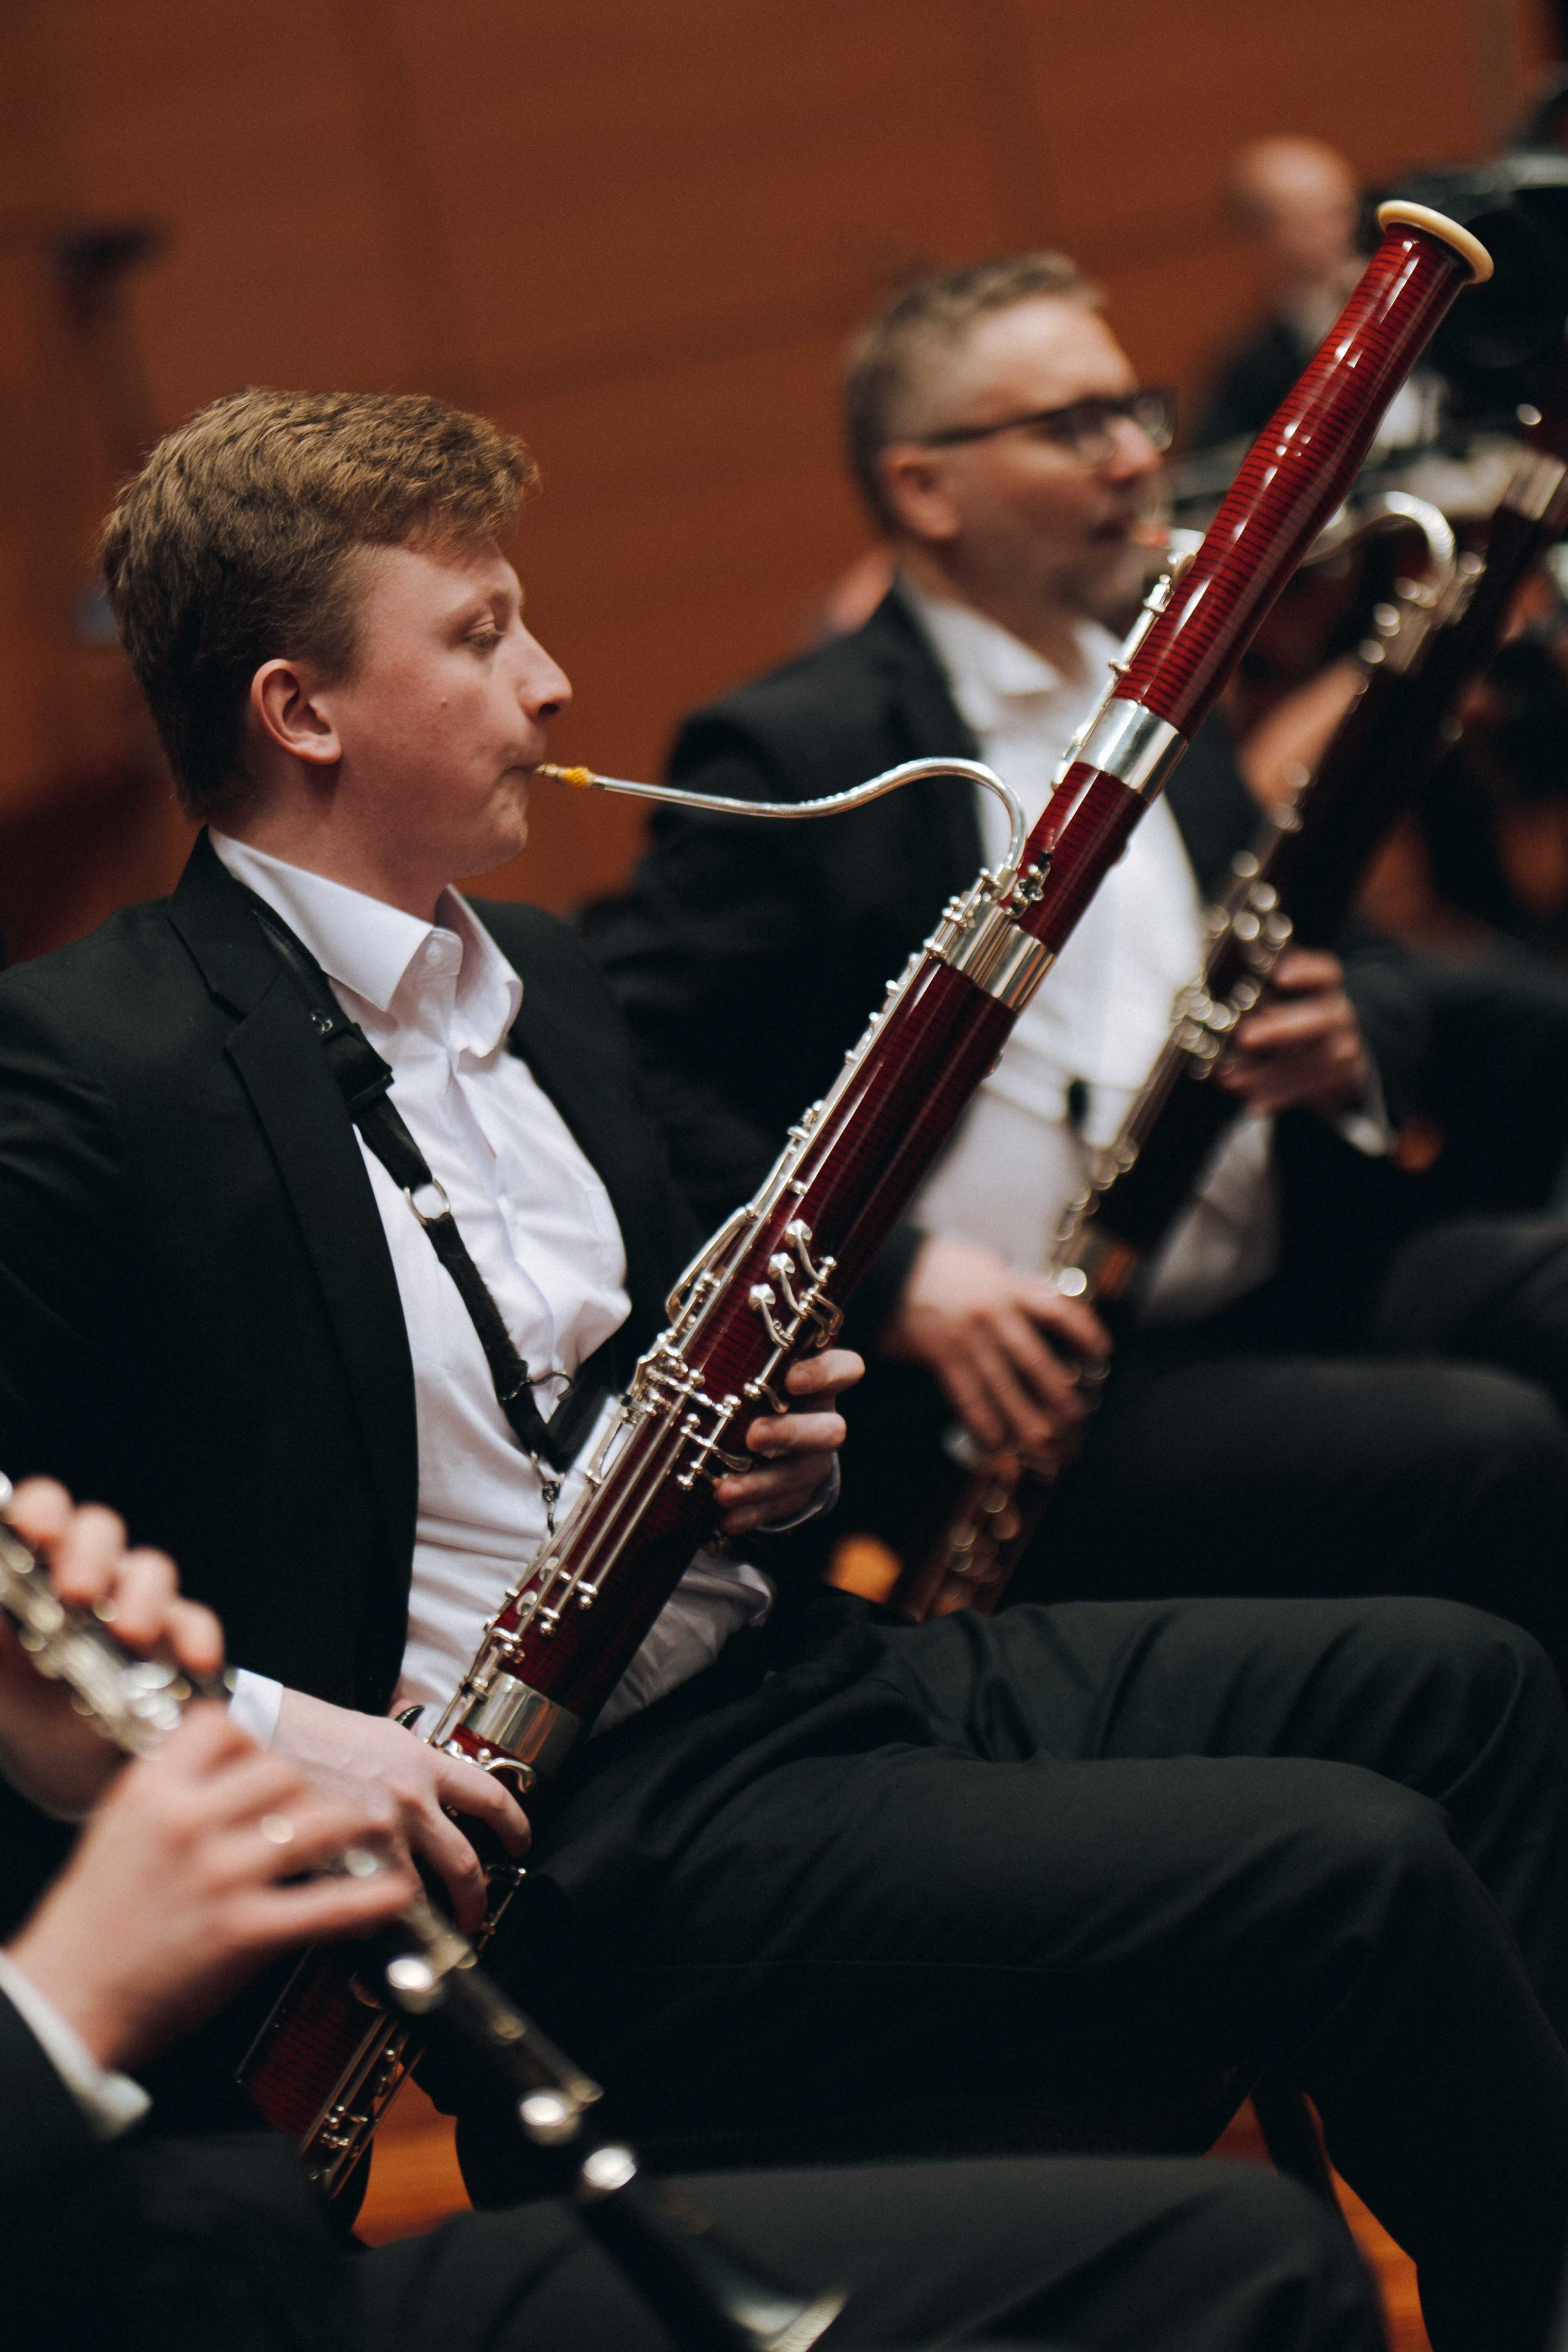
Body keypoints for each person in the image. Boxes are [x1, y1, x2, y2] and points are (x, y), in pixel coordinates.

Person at [3, 386, 1568, 2352]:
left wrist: (791, 1449)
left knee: (1468, 1687)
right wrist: (277, 1726)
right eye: (479, 637)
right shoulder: (97, 1062)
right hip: (577, 1844)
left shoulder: (546, 979)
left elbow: (658, 1387)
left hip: (791, 1668)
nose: (553, 685)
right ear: (300, 712)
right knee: (1359, 1869)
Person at [581, 249, 1568, 1662]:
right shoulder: (806, 745)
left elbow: (1349, 954)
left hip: (1285, 1264)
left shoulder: (1165, 670)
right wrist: (904, 1280)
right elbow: (639, 1081)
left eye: (1133, 410)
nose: (1134, 459)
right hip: (1040, 1388)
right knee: (1493, 1449)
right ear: (924, 487)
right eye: (1071, 426)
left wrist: (1352, 1032)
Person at [0, 1476, 1385, 2352]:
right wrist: (73, 2002)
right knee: (1238, 2267)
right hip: (131, 2267)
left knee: (1240, 2253)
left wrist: (58, 1759)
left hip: (174, 2246)